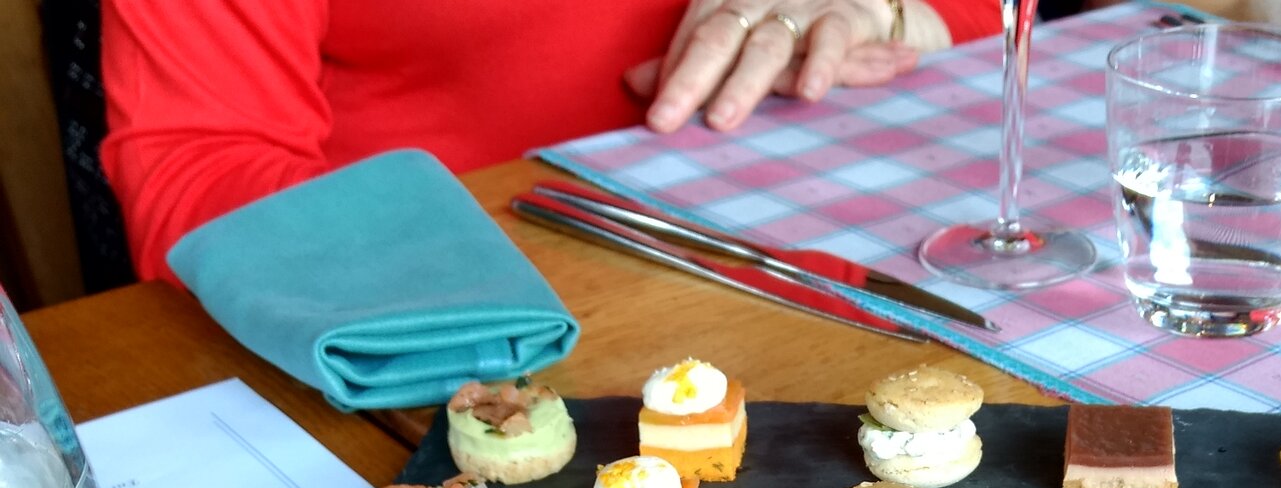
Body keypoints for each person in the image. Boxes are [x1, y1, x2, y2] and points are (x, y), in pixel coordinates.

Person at [101, 0, 1004, 286]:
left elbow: (993, 14)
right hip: (459, 314)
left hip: (853, 257)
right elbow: (196, 180)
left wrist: (891, 13)